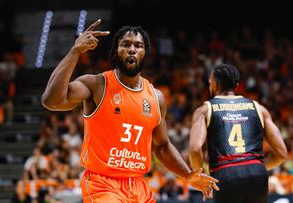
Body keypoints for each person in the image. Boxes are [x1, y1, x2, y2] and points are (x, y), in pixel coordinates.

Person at [41, 19, 218, 203]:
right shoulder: (97, 85)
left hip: (137, 186)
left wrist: (188, 175)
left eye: (138, 45)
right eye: (125, 44)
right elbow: (51, 100)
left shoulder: (156, 97)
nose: (132, 49)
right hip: (102, 184)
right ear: (116, 52)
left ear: (145, 53)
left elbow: (162, 146)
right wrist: (75, 51)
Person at [189, 64, 287, 203]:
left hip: (226, 173)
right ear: (236, 85)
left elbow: (194, 149)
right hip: (256, 172)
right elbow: (281, 153)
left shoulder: (205, 110)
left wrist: (201, 177)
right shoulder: (259, 108)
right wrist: (256, 167)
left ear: (215, 85)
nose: (209, 86)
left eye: (210, 83)